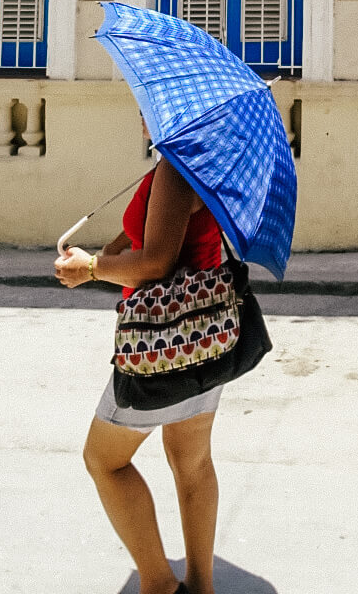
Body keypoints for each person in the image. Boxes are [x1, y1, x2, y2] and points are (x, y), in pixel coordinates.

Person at [55, 152, 224, 594]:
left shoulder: (175, 168)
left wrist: (91, 268)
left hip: (160, 343)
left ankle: (159, 584)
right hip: (206, 334)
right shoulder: (207, 159)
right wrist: (112, 249)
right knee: (192, 461)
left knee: (104, 460)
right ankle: (201, 587)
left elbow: (155, 263)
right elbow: (161, 228)